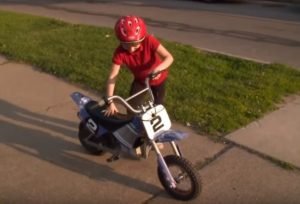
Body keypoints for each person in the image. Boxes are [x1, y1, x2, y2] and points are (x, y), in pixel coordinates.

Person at [105, 15, 174, 116]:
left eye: (135, 44)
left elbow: (169, 57)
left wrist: (158, 69)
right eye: (126, 44)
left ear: (142, 38)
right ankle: (135, 128)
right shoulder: (119, 53)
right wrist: (110, 101)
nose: (131, 49)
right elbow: (112, 76)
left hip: (158, 80)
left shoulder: (149, 40)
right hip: (141, 81)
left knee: (158, 108)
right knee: (131, 108)